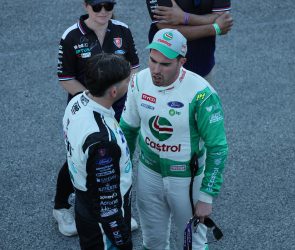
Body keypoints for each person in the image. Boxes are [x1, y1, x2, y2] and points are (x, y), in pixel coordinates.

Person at [120, 28, 228, 249]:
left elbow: (217, 148)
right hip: (149, 172)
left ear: (182, 62)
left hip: (186, 180)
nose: (156, 70)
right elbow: (127, 130)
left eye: (165, 64)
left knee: (192, 245)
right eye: (152, 60)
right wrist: (123, 175)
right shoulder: (139, 82)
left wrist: (207, 196)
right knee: (153, 241)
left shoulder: (201, 94)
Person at [54, 0, 139, 236]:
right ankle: (61, 207)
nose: (103, 11)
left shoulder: (122, 29)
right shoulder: (71, 36)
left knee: (115, 158)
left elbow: (134, 69)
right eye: (97, 6)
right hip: (86, 106)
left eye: (109, 5)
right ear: (86, 5)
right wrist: (95, 99)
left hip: (118, 106)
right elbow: (65, 79)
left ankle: (115, 211)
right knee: (80, 158)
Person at [63, 53, 133, 249]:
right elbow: (108, 208)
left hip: (84, 202)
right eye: (126, 81)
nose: (130, 83)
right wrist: (123, 242)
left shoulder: (77, 101)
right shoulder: (103, 143)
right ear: (113, 91)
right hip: (103, 229)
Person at [146, 0, 233, 87]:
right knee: (160, 98)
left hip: (202, 64)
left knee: (201, 99)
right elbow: (167, 29)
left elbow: (223, 19)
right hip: (164, 66)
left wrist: (184, 17)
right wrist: (214, 28)